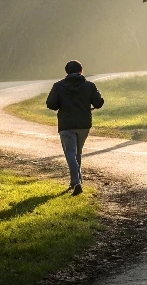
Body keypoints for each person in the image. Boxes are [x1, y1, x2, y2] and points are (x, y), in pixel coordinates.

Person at [46, 60, 105, 196]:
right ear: (81, 71)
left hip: (66, 125)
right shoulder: (90, 86)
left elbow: (51, 104)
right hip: (84, 124)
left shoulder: (58, 86)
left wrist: (61, 105)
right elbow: (98, 102)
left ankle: (76, 182)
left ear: (67, 72)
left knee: (70, 152)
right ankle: (77, 181)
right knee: (77, 152)